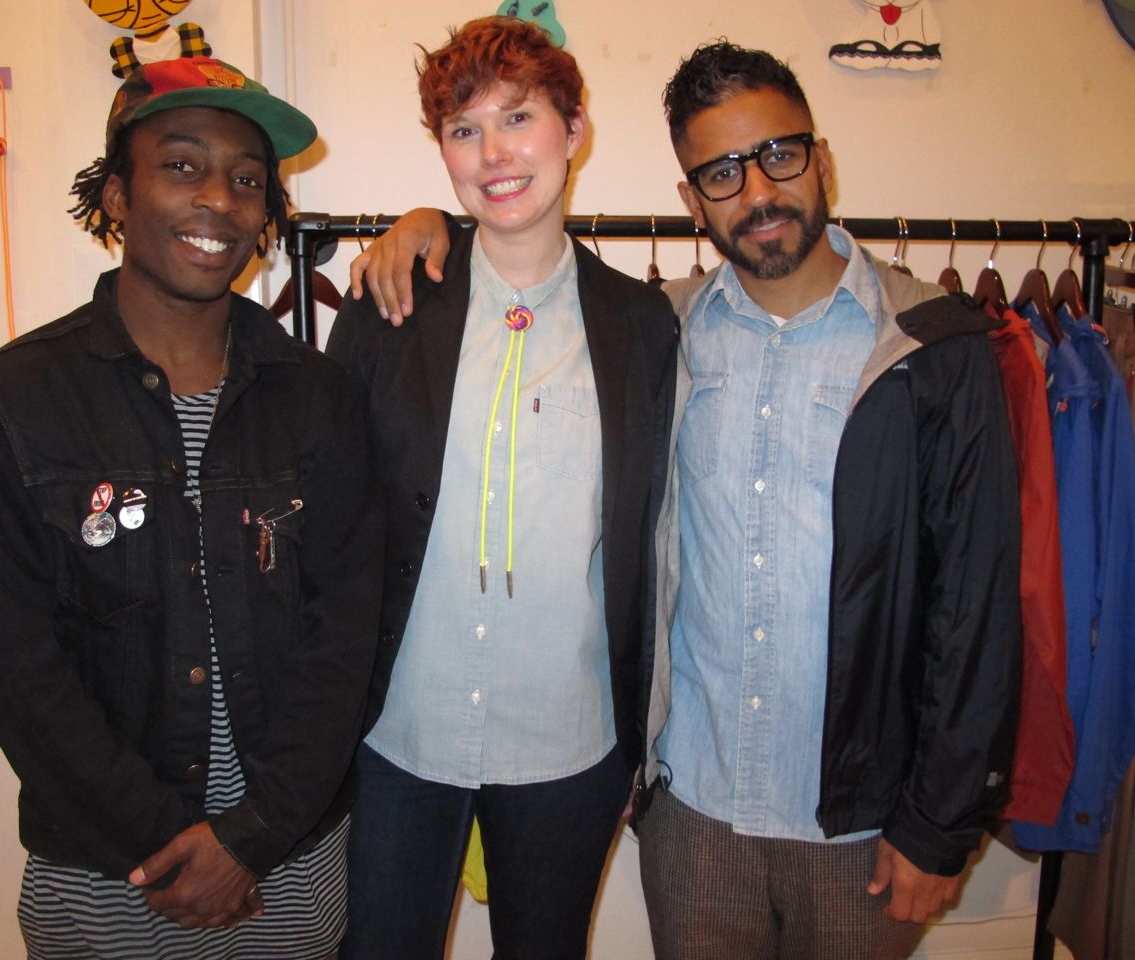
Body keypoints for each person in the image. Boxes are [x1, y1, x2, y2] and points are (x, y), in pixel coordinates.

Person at [346, 39, 1022, 960]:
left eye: (779, 155)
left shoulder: (908, 349)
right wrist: (423, 223)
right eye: (721, 172)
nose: (757, 190)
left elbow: (977, 600)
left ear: (821, 160)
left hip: (832, 813)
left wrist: (943, 818)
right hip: (669, 800)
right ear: (692, 198)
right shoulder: (666, 324)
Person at [0, 57, 381, 959]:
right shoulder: (13, 400)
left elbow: (347, 640)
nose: (219, 198)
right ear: (116, 194)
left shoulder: (322, 400)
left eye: (248, 179)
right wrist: (165, 843)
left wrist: (248, 839)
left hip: (287, 865)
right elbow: (14, 659)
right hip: (106, 873)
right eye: (182, 165)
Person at [324, 17, 678, 960]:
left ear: (574, 129)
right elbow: (335, 522)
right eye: (464, 129)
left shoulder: (642, 323)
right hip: (401, 729)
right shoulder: (390, 306)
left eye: (519, 117)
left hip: (568, 736)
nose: (494, 154)